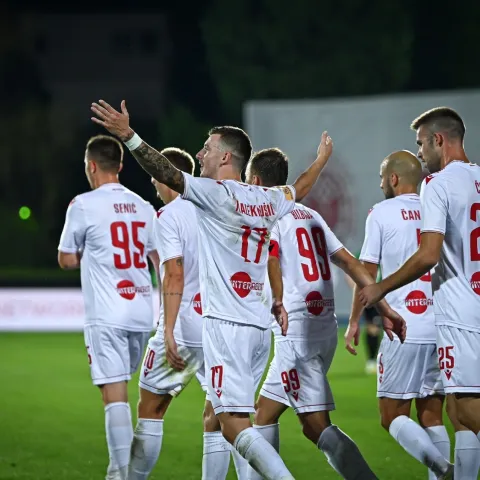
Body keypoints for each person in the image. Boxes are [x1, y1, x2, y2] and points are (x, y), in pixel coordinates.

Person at [90, 98, 375, 479]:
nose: (200, 155)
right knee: (235, 419)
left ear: (226, 157)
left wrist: (129, 136)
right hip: (259, 330)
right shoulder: (268, 198)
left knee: (233, 426)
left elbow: (166, 172)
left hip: (226, 325)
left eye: (207, 149)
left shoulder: (216, 194)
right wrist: (322, 160)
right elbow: (300, 188)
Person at [244, 148, 406, 480]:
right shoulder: (310, 215)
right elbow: (349, 261)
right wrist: (383, 306)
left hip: (296, 331)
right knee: (264, 415)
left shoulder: (268, 216)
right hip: (323, 326)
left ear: (256, 182)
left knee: (315, 425)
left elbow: (272, 257)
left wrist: (277, 298)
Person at [358, 107, 480, 479]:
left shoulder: (438, 184)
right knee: (455, 414)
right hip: (467, 309)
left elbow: (428, 255)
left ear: (438, 140)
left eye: (421, 144)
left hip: (460, 314)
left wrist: (381, 287)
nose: (420, 153)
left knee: (467, 412)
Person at [345, 150, 453, 480]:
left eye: (382, 178)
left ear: (393, 178)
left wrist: (354, 320)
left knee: (391, 415)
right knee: (432, 415)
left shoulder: (381, 212)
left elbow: (367, 273)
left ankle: (445, 470)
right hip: (440, 325)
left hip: (403, 326)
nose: (381, 184)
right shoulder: (437, 209)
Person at [58, 135, 159, 480]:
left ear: (91, 166)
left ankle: (120, 472)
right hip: (142, 313)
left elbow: (67, 258)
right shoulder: (144, 206)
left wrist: (91, 255)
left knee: (114, 394)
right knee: (125, 389)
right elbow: (159, 260)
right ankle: (123, 471)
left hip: (107, 312)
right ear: (120, 165)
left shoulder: (83, 205)